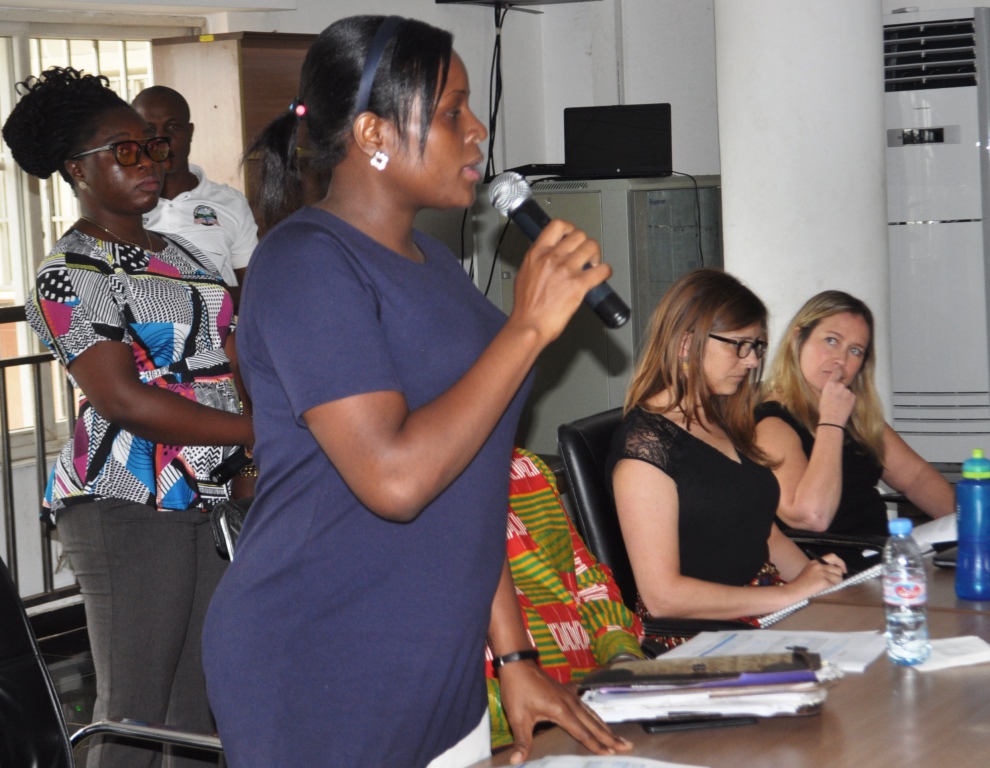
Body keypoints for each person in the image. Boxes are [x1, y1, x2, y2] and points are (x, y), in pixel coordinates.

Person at [201, 16, 627, 768]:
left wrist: (517, 658)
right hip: (323, 661)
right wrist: (525, 329)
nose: (478, 128)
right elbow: (395, 480)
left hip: (440, 670)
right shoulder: (305, 265)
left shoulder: (433, 262)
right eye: (451, 111)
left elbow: (473, 472)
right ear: (372, 132)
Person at [1, 67, 254, 767]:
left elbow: (232, 362)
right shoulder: (71, 272)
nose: (151, 162)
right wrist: (255, 435)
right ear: (76, 170)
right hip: (126, 499)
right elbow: (123, 400)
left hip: (203, 493)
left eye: (153, 146)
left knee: (196, 711)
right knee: (134, 715)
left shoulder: (185, 255)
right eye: (127, 150)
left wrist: (249, 455)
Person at [607, 269, 846, 643]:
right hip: (700, 635)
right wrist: (789, 594)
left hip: (758, 608)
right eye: (739, 345)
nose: (751, 361)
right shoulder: (645, 450)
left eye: (756, 347)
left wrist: (821, 586)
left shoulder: (722, 416)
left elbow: (763, 531)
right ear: (687, 344)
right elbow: (663, 598)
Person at [755, 290, 955, 542]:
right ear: (797, 340)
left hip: (880, 555)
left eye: (855, 351)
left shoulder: (856, 413)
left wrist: (968, 524)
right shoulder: (772, 422)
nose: (840, 359)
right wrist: (831, 422)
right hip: (827, 566)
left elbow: (916, 478)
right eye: (831, 341)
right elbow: (811, 517)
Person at [487, 448, 644, 750]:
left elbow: (589, 581)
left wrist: (621, 658)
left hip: (592, 704)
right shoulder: (402, 500)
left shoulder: (526, 469)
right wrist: (548, 698)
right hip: (503, 737)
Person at [132, 85, 259, 305]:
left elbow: (254, 294)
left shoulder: (231, 202)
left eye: (172, 126)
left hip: (222, 337)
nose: (162, 139)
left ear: (190, 132)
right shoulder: (124, 208)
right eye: (150, 131)